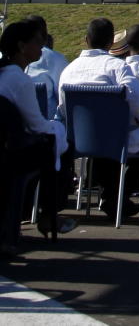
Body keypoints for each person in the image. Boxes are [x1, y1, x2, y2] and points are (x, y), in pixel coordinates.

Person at [58, 17, 139, 220]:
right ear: (112, 42)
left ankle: (110, 193)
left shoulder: (68, 70)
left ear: (86, 39)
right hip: (116, 139)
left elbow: (63, 108)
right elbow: (137, 98)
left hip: (80, 141)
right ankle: (117, 194)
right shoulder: (117, 67)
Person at [0, 19, 74, 242]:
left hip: (7, 144)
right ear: (22, 47)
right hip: (9, 151)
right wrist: (59, 129)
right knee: (58, 146)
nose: (43, 45)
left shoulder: (6, 74)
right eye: (38, 41)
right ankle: (48, 214)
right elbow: (37, 125)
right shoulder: (19, 79)